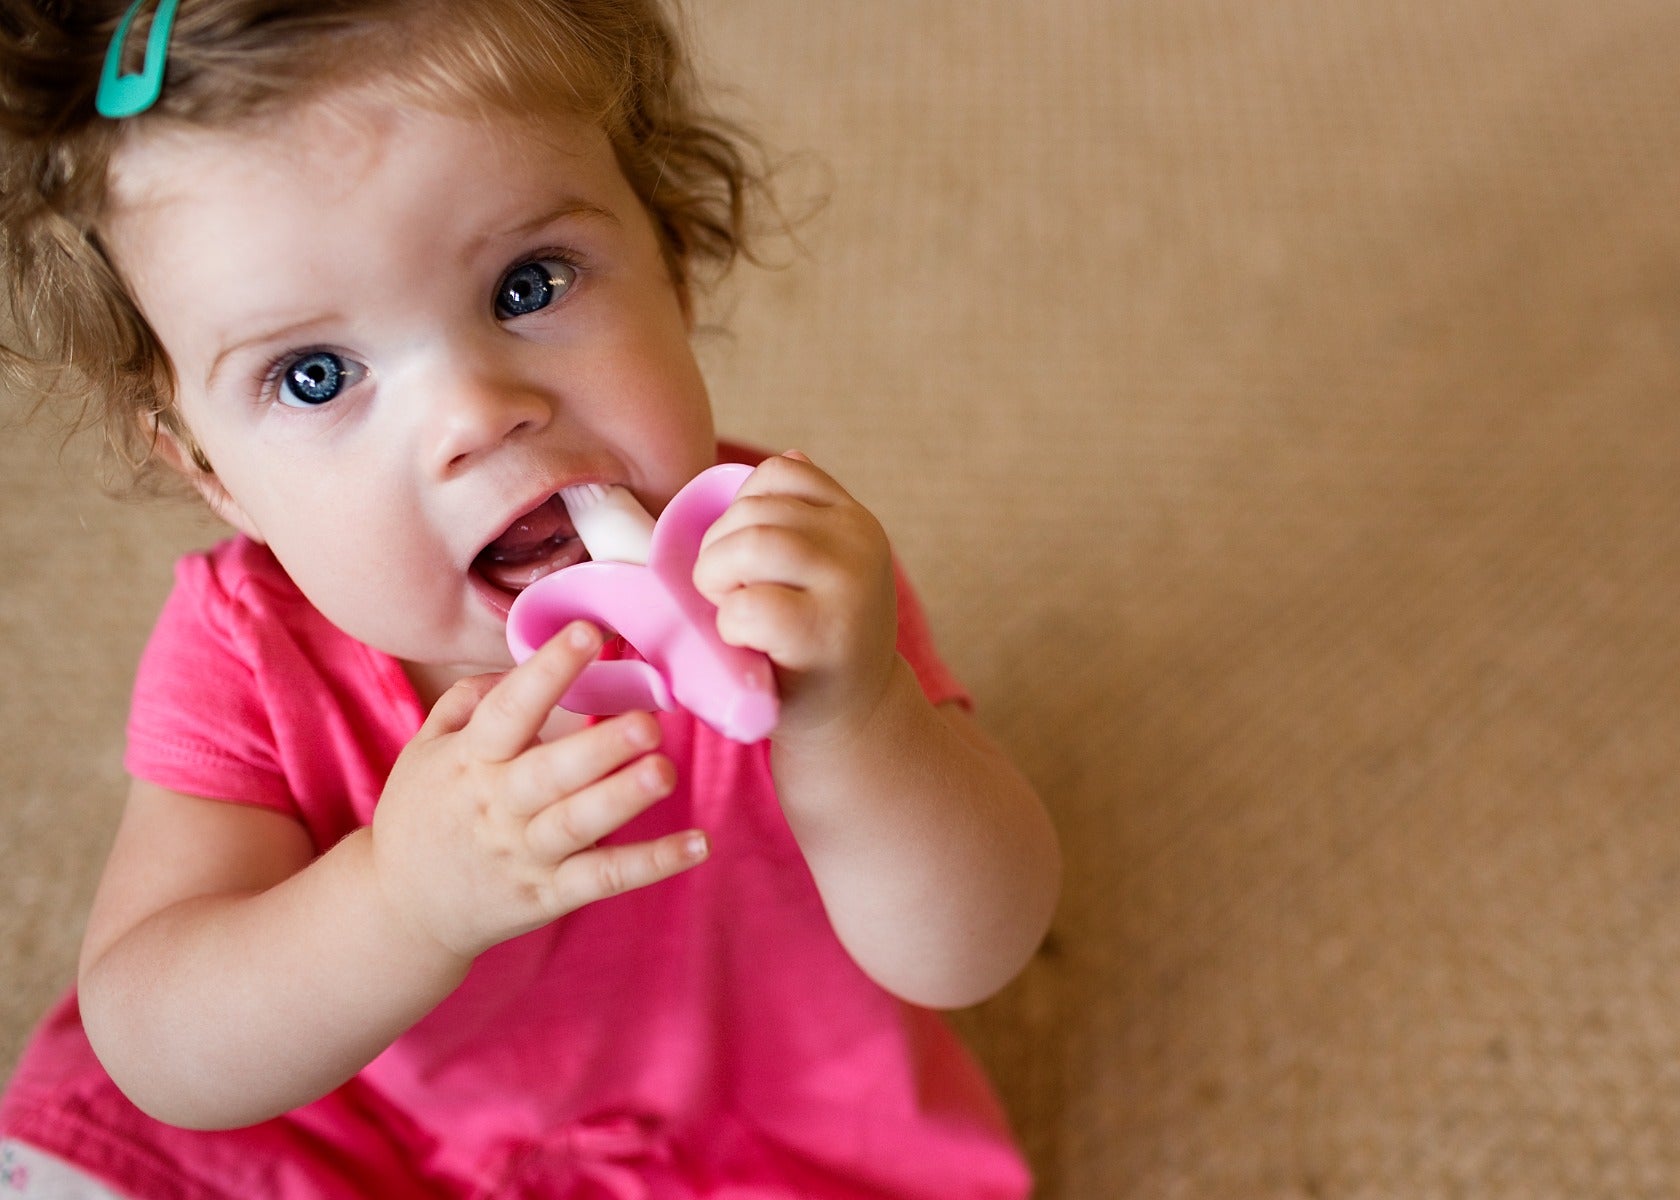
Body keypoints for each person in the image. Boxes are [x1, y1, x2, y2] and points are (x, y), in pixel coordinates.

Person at [0, 1, 1062, 1195]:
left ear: (667, 253)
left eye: (527, 284)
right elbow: (160, 1043)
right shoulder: (250, 655)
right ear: (209, 471)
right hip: (349, 1137)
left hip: (750, 1132)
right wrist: (397, 904)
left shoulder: (774, 575)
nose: (475, 412)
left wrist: (859, 716)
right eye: (316, 374)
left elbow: (977, 949)